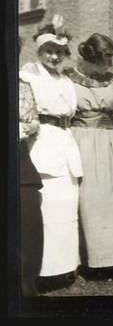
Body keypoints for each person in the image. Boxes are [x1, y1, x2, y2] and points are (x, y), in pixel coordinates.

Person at [64, 33, 113, 277]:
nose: (110, 65)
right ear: (92, 57)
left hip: (108, 144)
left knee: (112, 200)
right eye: (106, 60)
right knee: (87, 201)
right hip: (80, 141)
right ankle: (87, 261)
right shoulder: (70, 80)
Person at [20, 16, 83, 288]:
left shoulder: (66, 80)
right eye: (49, 51)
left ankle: (66, 268)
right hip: (43, 141)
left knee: (67, 208)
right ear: (39, 51)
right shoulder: (30, 75)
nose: (54, 57)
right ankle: (43, 270)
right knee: (47, 211)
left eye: (59, 52)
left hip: (66, 142)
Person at [18, 36, 44, 296]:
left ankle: (27, 284)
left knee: (28, 222)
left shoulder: (22, 86)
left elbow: (32, 121)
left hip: (19, 161)